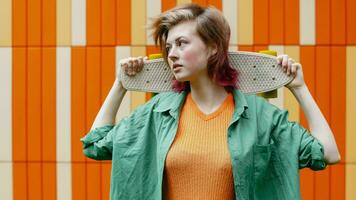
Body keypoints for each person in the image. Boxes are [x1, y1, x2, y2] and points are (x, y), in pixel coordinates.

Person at [80, 3, 340, 200]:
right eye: (169, 47)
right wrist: (121, 85)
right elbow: (94, 144)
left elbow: (328, 153)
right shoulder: (157, 113)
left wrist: (299, 87)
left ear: (214, 47)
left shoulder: (261, 117)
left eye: (182, 43)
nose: (172, 54)